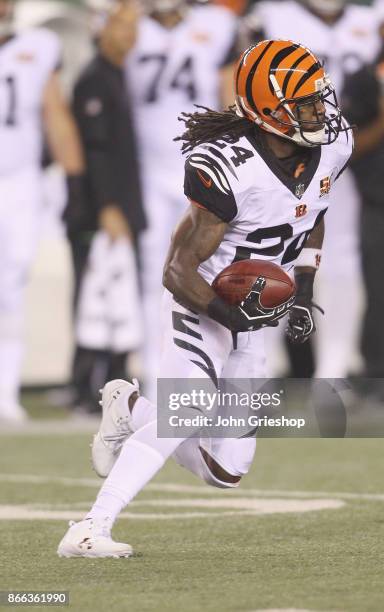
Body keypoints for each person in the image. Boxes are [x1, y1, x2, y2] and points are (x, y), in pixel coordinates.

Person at [57, 39, 353, 557]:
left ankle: (130, 406)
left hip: (253, 313)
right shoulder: (228, 166)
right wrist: (228, 315)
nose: (319, 111)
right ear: (267, 109)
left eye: (318, 97)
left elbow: (315, 208)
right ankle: (88, 528)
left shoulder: (331, 145)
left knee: (226, 470)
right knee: (187, 409)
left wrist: (302, 287)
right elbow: (177, 270)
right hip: (205, 299)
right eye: (303, 103)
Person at [243, 0, 379, 378]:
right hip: (281, 153)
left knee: (343, 260)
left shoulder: (376, 20)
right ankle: (259, 367)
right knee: (269, 252)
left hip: (349, 157)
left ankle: (334, 367)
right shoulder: (271, 17)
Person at [125, 0, 239, 400]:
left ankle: (217, 376)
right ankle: (157, 378)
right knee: (151, 275)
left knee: (217, 269)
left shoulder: (218, 23)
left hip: (203, 169)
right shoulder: (128, 24)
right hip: (144, 168)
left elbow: (229, 100)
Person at [0, 0, 86, 422]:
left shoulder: (38, 44)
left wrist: (76, 184)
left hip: (19, 182)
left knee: (11, 285)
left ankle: (5, 391)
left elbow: (56, 115)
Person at [66, 0, 146, 413]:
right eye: (123, 26)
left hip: (121, 211)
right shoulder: (94, 80)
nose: (131, 35)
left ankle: (111, 387)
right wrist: (109, 207)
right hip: (100, 214)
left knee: (120, 302)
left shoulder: (117, 75)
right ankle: (85, 388)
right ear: (103, 28)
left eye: (135, 26)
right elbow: (95, 151)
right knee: (94, 300)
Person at [342, 3, 384, 385]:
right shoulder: (363, 78)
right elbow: (347, 146)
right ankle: (378, 376)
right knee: (379, 292)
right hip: (381, 200)